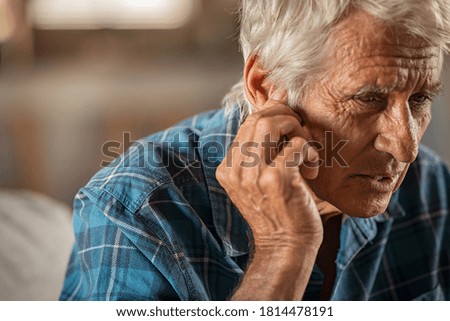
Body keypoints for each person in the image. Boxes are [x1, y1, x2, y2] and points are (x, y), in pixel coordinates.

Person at [60, 0, 450, 300]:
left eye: (419, 100)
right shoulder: (137, 210)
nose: (406, 147)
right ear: (265, 87)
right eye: (368, 99)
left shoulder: (431, 188)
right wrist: (284, 250)